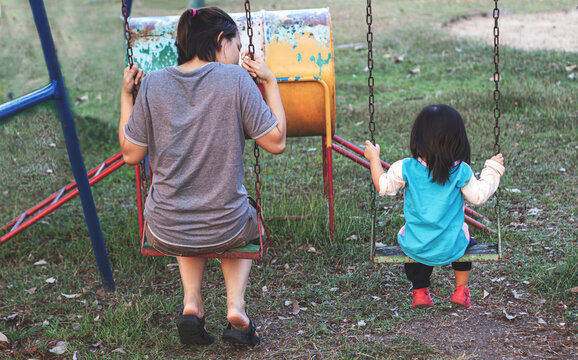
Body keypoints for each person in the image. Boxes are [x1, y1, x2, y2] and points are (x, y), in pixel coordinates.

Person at [118, 7, 286, 346]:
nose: (239, 56)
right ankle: (235, 307)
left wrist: (126, 96)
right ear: (221, 41)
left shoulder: (152, 83)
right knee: (237, 218)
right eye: (237, 48)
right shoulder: (236, 79)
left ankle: (192, 304)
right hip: (226, 225)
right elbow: (276, 141)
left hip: (164, 227)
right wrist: (269, 81)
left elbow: (130, 154)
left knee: (188, 209)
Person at [364, 104, 504, 308]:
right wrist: (492, 169)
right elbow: (479, 196)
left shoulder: (405, 167)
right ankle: (460, 290)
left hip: (417, 244)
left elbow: (383, 187)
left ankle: (420, 292)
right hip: (451, 245)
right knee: (466, 242)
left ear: (418, 138)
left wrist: (374, 159)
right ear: (458, 140)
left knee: (413, 247)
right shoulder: (461, 171)